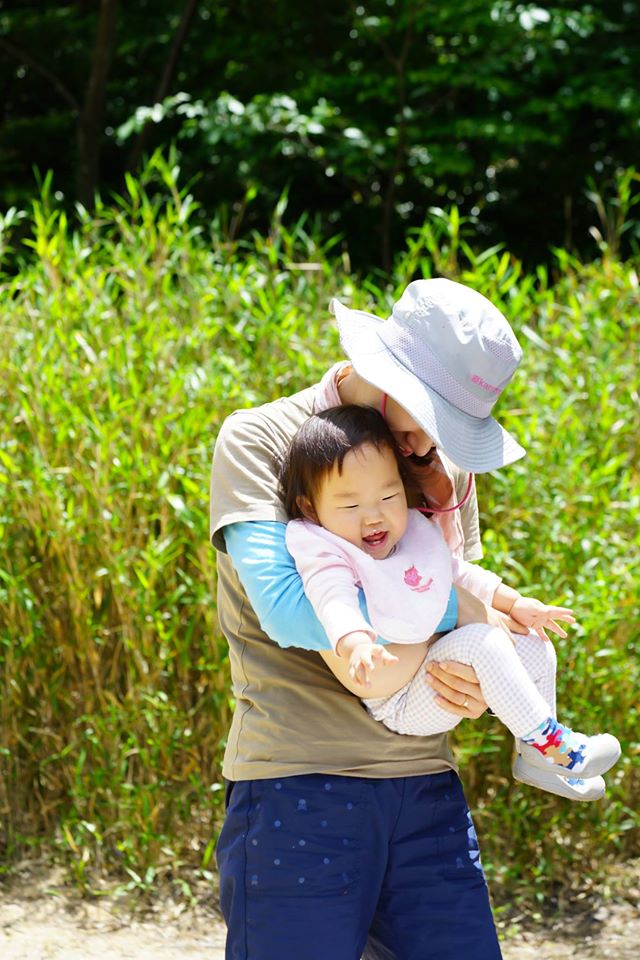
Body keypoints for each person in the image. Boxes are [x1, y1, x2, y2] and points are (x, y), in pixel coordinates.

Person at [210, 278, 547, 959]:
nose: (431, 443)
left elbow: (460, 619)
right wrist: (465, 611)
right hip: (297, 783)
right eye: (430, 416)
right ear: (384, 373)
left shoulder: (437, 467)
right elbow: (289, 612)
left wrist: (484, 678)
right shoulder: (261, 438)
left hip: (426, 785)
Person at [280, 404, 621, 802]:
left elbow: (457, 573)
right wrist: (355, 642)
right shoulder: (327, 548)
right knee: (482, 642)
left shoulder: (410, 532)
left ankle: (537, 758)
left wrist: (515, 603)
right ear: (311, 507)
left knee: (534, 643)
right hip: (401, 702)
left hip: (436, 667)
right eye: (351, 506)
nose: (373, 517)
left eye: (388, 495)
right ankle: (556, 746)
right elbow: (332, 597)